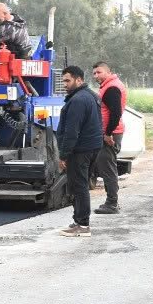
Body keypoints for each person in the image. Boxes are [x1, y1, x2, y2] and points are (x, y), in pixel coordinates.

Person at [55, 65, 104, 236]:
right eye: (64, 81)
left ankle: (82, 225)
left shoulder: (77, 101)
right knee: (80, 186)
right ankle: (79, 221)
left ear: (79, 80)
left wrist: (63, 155)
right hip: (92, 148)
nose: (65, 84)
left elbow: (71, 131)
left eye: (68, 81)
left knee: (79, 187)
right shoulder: (92, 95)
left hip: (80, 150)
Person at [91, 61, 126, 215]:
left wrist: (108, 133)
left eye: (99, 72)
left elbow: (116, 112)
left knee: (108, 169)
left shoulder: (111, 87)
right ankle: (112, 201)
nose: (96, 76)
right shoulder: (110, 85)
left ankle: (112, 203)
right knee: (107, 167)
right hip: (109, 132)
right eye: (94, 73)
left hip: (110, 133)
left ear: (107, 72)